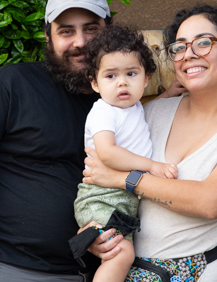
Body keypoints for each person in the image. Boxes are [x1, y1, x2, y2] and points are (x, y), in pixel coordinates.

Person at [0, 0, 217, 282]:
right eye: (66, 31)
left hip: (95, 270)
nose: (80, 41)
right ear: (48, 36)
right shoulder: (12, 85)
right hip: (13, 270)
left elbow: (202, 191)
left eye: (91, 29)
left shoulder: (135, 106)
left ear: (108, 33)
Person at [83, 5, 217, 281]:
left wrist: (125, 178)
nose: (189, 54)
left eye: (203, 43)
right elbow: (96, 176)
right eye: (179, 46)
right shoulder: (150, 113)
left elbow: (210, 202)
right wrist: (91, 230)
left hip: (206, 270)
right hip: (134, 272)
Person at [74, 25, 178, 282]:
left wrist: (166, 96)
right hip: (103, 197)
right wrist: (151, 166)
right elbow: (108, 154)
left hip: (122, 198)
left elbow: (139, 114)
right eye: (111, 76)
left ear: (145, 79)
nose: (122, 82)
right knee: (121, 254)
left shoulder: (132, 108)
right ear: (94, 83)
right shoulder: (103, 112)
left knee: (122, 252)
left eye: (131, 73)